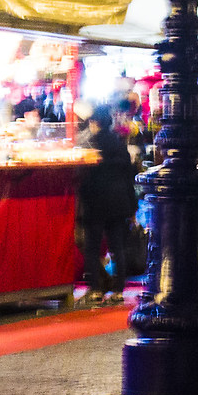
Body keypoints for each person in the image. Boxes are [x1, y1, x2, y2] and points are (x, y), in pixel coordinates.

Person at [74, 112, 136, 305]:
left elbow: (83, 175)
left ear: (95, 122)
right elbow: (129, 176)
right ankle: (118, 289)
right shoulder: (119, 144)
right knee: (117, 247)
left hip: (96, 201)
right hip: (119, 202)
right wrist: (132, 205)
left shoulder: (90, 144)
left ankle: (95, 289)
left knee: (93, 247)